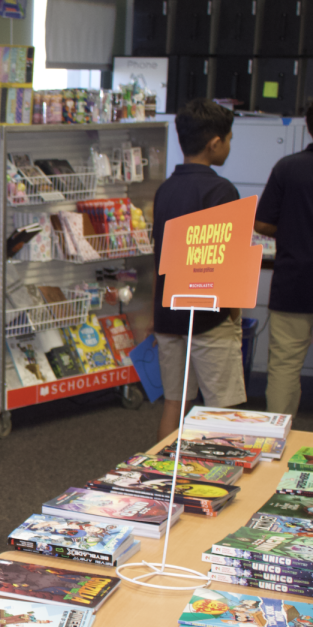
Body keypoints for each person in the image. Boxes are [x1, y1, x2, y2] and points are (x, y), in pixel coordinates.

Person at [151, 99, 246, 441]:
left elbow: (159, 255)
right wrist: (233, 314)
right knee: (223, 410)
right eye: (230, 139)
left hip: (168, 316)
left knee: (173, 404)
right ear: (215, 143)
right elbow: (228, 263)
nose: (230, 146)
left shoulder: (165, 190)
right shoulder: (221, 190)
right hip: (209, 317)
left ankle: (159, 477)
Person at [254, 104, 313, 417]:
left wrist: (292, 227)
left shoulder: (287, 167)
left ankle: (277, 441)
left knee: (285, 367)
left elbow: (262, 224)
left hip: (294, 282)